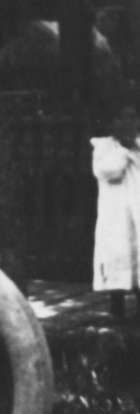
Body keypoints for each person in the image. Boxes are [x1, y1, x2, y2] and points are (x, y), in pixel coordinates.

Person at [91, 88, 140, 318]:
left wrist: (133, 147)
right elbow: (109, 171)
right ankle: (117, 306)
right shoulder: (104, 147)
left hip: (138, 211)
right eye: (121, 118)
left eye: (132, 117)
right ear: (112, 123)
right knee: (117, 254)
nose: (127, 122)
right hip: (116, 216)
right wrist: (124, 149)